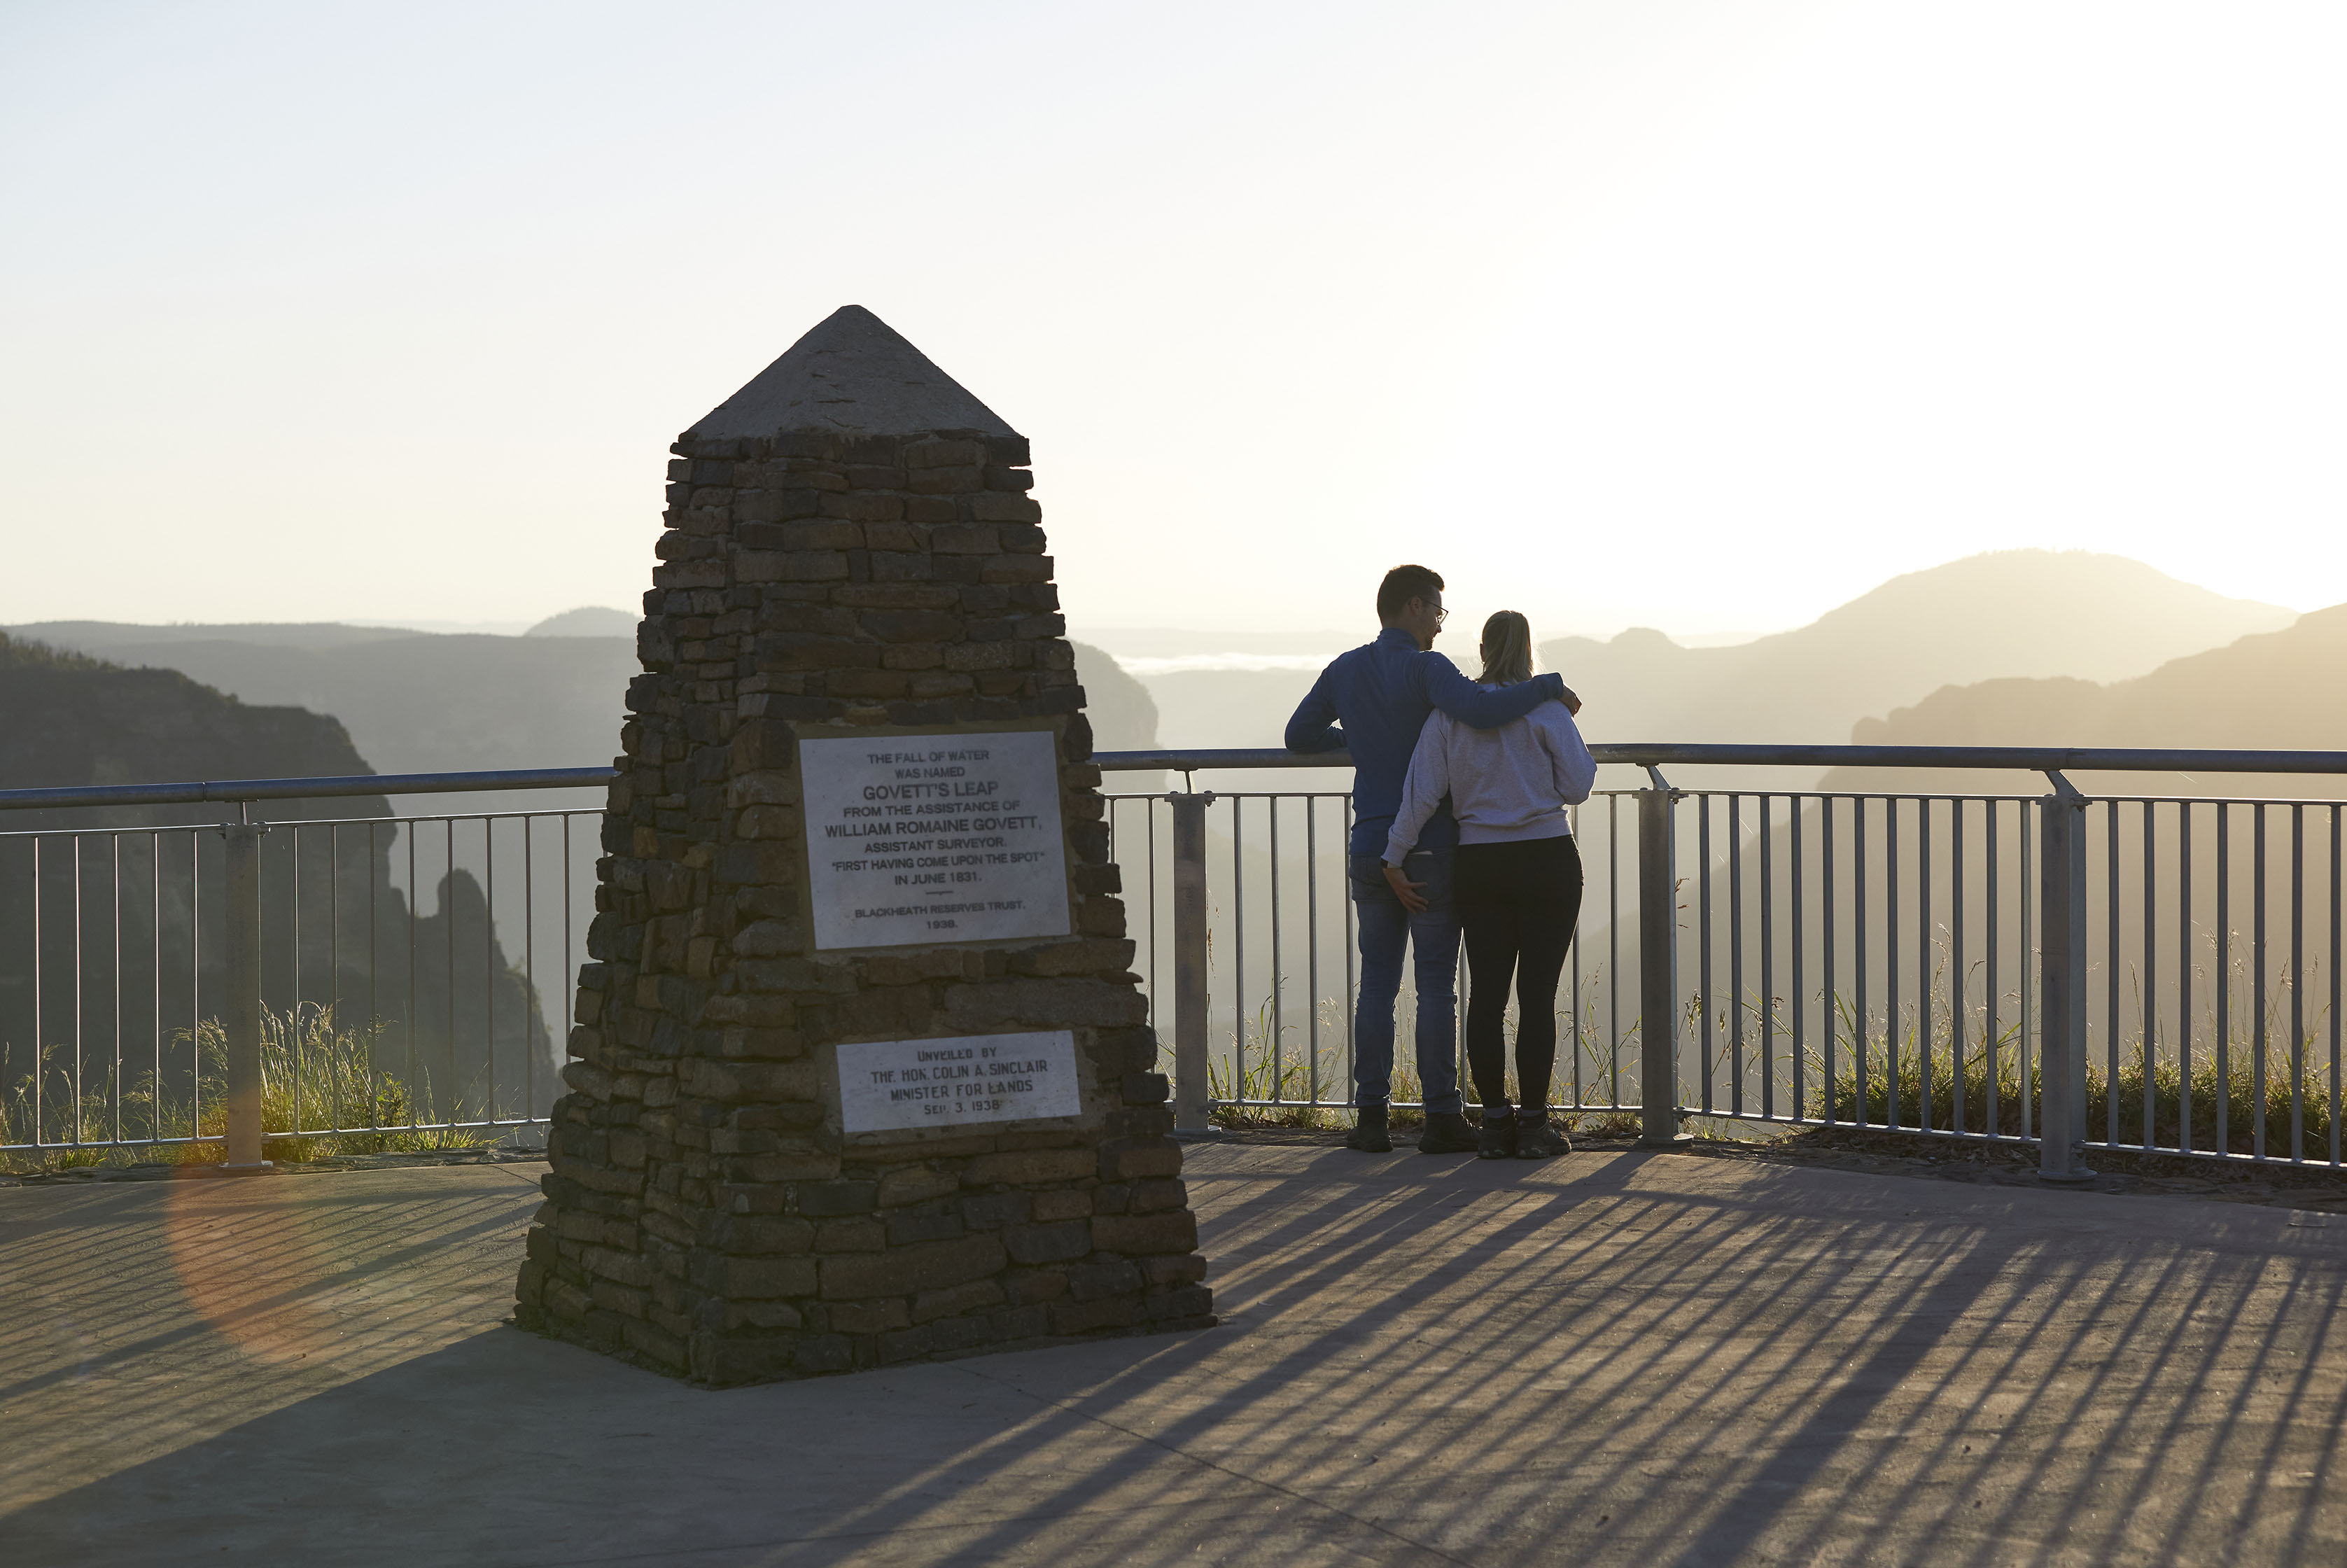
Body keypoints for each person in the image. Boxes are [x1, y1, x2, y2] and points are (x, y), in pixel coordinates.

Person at [1287, 566, 1579, 1154]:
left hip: (1370, 845)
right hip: (1432, 849)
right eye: (1438, 613)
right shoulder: (1426, 669)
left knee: (1374, 985)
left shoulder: (1344, 668)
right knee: (1436, 988)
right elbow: (1481, 709)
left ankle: (1370, 1120)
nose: (1440, 626)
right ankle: (1442, 1117)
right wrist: (1547, 684)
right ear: (1415, 606)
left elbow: (1299, 736)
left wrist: (1360, 745)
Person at [1382, 610, 1595, 1159]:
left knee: (1486, 996)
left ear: (1480, 651)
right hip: (1547, 859)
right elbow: (1577, 786)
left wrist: (1393, 854)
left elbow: (1421, 791)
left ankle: (1494, 1125)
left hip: (1480, 864)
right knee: (1537, 997)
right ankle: (1533, 1126)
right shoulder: (1547, 710)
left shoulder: (1450, 718)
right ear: (1529, 654)